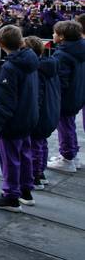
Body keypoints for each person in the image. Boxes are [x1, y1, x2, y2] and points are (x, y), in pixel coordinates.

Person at [0, 25, 39, 212]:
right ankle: (26, 190)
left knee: (10, 159)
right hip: (28, 116)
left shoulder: (9, 68)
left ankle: (11, 196)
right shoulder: (31, 59)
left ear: (0, 43)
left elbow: (4, 101)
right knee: (24, 154)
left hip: (13, 121)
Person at [46, 20, 85, 173]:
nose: (53, 34)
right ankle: (72, 154)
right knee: (69, 125)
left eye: (55, 32)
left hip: (66, 97)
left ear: (62, 37)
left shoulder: (63, 54)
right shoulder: (79, 49)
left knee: (65, 126)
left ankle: (68, 157)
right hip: (77, 93)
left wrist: (53, 98)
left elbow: (60, 81)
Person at [25, 36, 60, 190]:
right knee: (41, 144)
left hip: (40, 114)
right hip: (49, 111)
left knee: (35, 145)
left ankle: (36, 175)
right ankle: (40, 172)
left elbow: (37, 96)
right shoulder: (49, 67)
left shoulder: (38, 71)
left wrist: (33, 115)